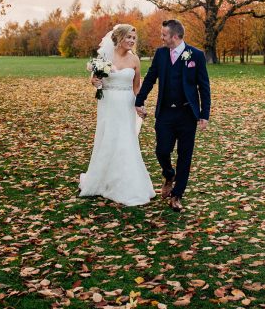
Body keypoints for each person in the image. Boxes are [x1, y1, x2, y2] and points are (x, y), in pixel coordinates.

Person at [135, 19, 211, 212]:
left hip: (187, 114)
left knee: (185, 156)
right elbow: (151, 78)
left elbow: (204, 87)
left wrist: (204, 114)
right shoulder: (160, 54)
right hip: (165, 113)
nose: (161, 38)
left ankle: (177, 195)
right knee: (162, 150)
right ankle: (169, 174)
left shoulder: (196, 55)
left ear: (175, 36)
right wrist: (139, 100)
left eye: (164, 35)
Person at [79, 24, 155, 206]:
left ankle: (127, 184)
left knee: (126, 141)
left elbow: (137, 87)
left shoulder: (135, 60)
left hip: (126, 104)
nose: (131, 41)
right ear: (119, 38)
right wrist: (94, 81)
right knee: (108, 139)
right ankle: (104, 180)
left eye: (133, 38)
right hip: (108, 103)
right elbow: (96, 80)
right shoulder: (105, 56)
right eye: (128, 37)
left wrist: (140, 105)